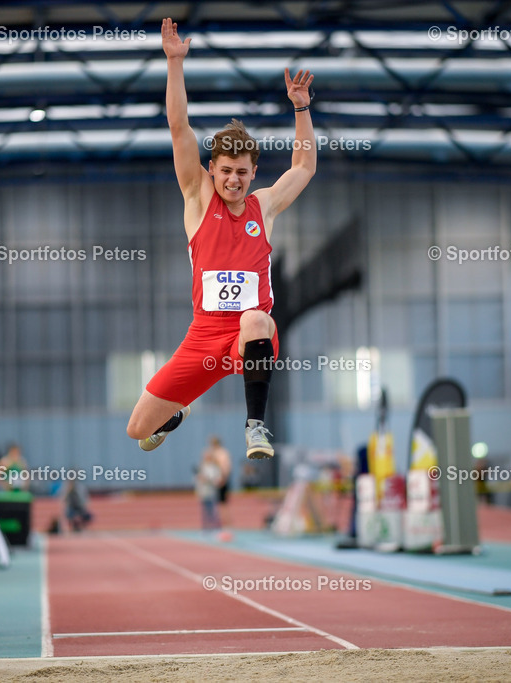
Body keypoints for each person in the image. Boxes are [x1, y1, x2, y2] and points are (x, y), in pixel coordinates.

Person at [126, 18, 316, 459]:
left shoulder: (263, 207)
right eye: (226, 171)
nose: (233, 180)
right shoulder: (197, 198)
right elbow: (178, 127)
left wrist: (301, 110)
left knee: (255, 319)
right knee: (138, 430)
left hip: (249, 337)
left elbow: (303, 168)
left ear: (253, 174)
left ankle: (255, 427)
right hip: (203, 338)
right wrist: (174, 63)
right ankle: (177, 414)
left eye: (242, 172)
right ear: (213, 170)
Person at [195, 450, 223, 531]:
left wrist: (209, 479)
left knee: (213, 510)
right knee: (205, 510)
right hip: (204, 492)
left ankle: (215, 527)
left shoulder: (214, 467)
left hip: (212, 491)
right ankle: (206, 528)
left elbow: (217, 479)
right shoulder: (202, 467)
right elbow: (198, 480)